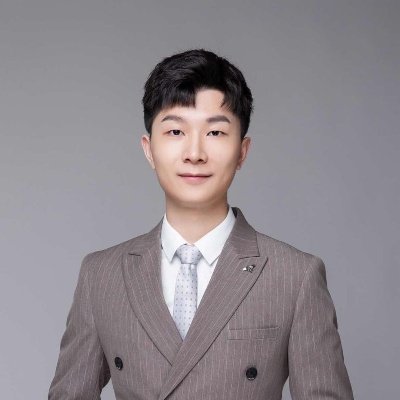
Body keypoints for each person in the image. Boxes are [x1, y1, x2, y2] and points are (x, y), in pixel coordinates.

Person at [49, 49, 353, 399]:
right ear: (149, 149)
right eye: (176, 131)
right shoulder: (101, 275)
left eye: (215, 133)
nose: (194, 153)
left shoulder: (294, 276)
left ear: (242, 151)